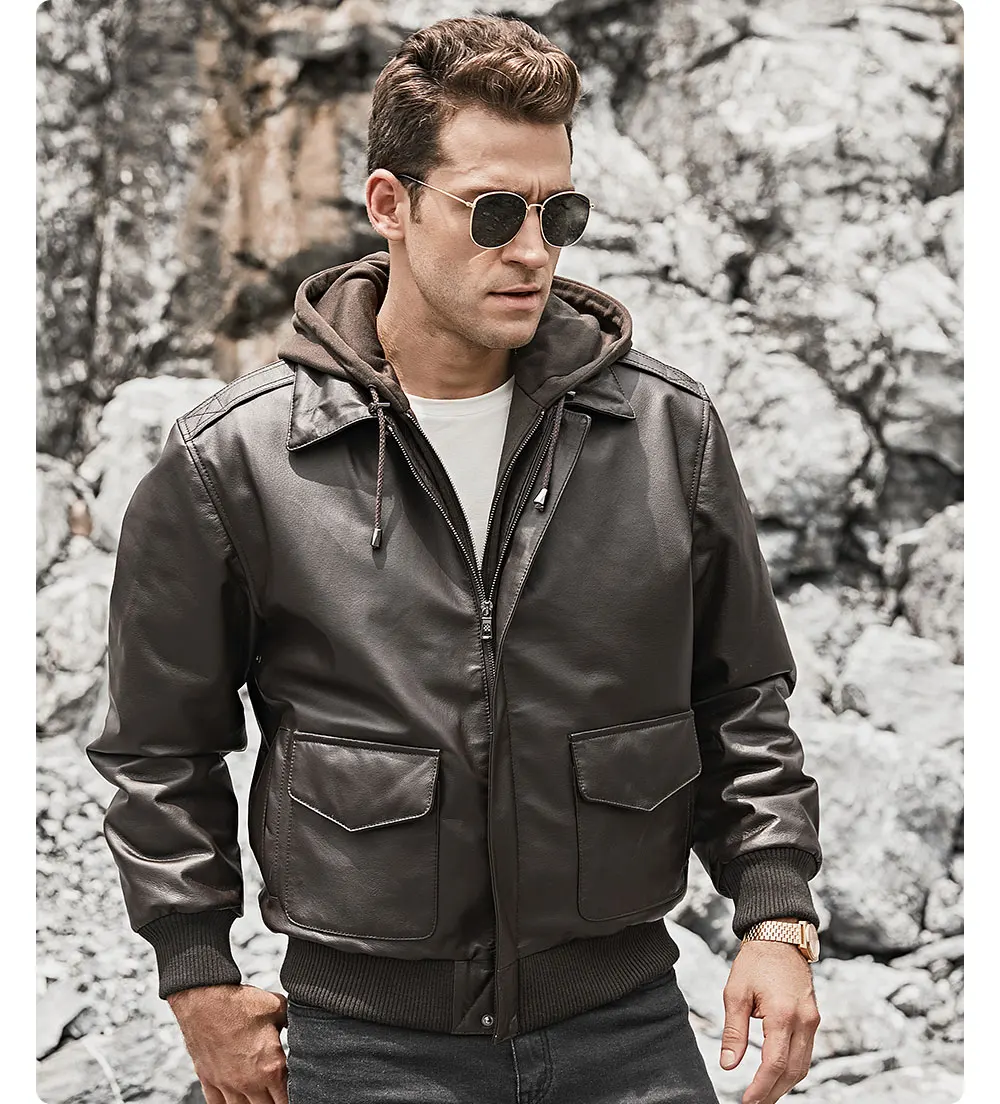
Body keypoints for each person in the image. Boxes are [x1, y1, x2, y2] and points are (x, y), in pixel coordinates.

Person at [87, 13, 823, 1104]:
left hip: (625, 1027)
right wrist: (196, 977)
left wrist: (776, 914)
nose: (532, 250)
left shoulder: (667, 434)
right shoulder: (236, 460)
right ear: (389, 204)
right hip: (364, 1045)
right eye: (492, 211)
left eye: (557, 212)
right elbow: (159, 746)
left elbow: (743, 696)